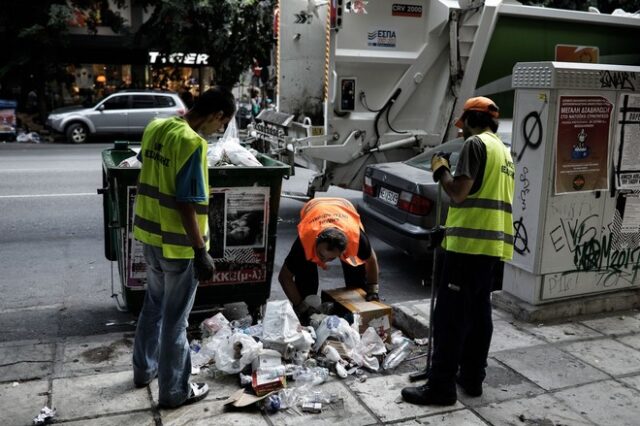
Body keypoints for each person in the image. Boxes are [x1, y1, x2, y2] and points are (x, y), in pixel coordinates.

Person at [401, 96, 515, 406]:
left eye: (463, 122)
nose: (461, 129)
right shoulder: (503, 152)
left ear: (473, 119)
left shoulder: (475, 145)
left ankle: (441, 387)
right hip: (491, 248)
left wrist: (441, 171)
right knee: (479, 316)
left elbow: (459, 194)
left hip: (468, 249)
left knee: (449, 318)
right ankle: (472, 378)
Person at [131, 86, 236, 408]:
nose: (218, 131)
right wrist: (200, 251)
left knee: (153, 307)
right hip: (178, 248)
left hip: (149, 237)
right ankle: (175, 392)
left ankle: (143, 370)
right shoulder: (193, 143)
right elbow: (186, 201)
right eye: (221, 125)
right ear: (217, 115)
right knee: (175, 321)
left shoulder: (156, 127)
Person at [278, 197, 380, 321]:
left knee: (357, 280)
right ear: (315, 242)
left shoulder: (356, 239)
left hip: (344, 208)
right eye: (321, 255)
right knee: (306, 285)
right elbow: (284, 277)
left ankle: (354, 317)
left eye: (331, 258)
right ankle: (305, 318)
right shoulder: (304, 242)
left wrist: (372, 290)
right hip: (314, 207)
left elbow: (371, 259)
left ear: (343, 251)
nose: (324, 261)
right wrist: (301, 306)